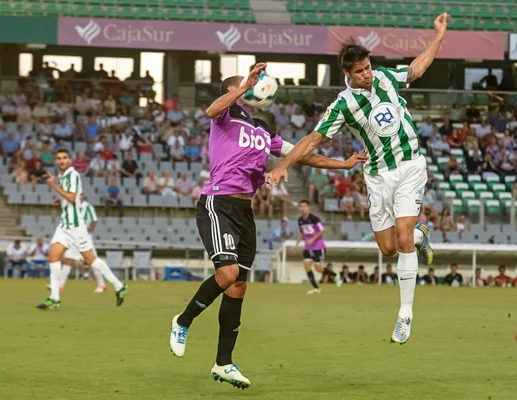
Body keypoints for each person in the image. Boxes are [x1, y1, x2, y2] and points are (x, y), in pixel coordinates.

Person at [168, 63, 367, 389]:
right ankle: (183, 321)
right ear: (237, 90)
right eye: (245, 85)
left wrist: (342, 164)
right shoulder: (224, 117)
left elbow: (300, 155)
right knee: (228, 274)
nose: (252, 87)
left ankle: (224, 363)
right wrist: (244, 85)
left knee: (238, 287)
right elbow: (210, 109)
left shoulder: (261, 129)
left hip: (245, 211)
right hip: (218, 204)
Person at [265, 13, 451, 344]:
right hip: (378, 176)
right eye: (360, 71)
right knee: (390, 248)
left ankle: (404, 315)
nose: (367, 74)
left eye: (368, 67)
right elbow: (311, 140)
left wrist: (438, 36)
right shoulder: (342, 106)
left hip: (410, 166)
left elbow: (416, 68)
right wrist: (283, 166)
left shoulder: (385, 78)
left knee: (403, 237)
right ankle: (421, 237)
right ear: (347, 74)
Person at [36, 148, 126, 309]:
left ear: (69, 160)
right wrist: (60, 200)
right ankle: (54, 298)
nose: (62, 161)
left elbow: (71, 197)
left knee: (92, 261)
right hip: (64, 225)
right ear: (56, 161)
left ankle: (118, 285)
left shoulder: (72, 175)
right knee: (53, 257)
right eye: (59, 158)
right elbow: (70, 198)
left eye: (64, 158)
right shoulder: (64, 176)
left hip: (76, 227)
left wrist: (54, 185)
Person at [55, 193, 109, 294]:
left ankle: (101, 284)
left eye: (81, 195)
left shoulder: (88, 207)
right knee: (68, 260)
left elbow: (93, 221)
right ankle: (59, 286)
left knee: (93, 262)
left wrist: (87, 230)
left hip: (85, 239)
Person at [293, 200, 339, 294]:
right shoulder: (300, 220)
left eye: (304, 206)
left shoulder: (314, 218)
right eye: (301, 206)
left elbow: (322, 231)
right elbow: (302, 233)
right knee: (306, 266)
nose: (303, 208)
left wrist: (313, 239)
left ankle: (335, 275)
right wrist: (296, 245)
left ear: (308, 207)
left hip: (318, 247)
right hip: (308, 247)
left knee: (319, 269)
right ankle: (316, 288)